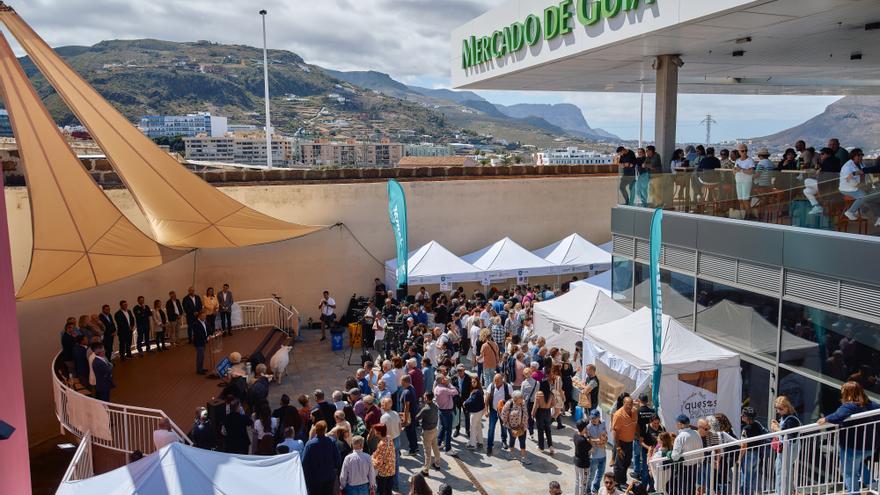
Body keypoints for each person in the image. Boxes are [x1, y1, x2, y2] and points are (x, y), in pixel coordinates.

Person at [817, 381, 880, 494]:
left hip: (852, 446)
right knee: (859, 463)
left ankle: (854, 492)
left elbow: (838, 416)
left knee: (849, 472)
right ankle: (873, 484)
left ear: (847, 394)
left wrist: (825, 419)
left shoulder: (849, 406)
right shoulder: (873, 405)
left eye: (843, 393)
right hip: (870, 446)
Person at [770, 396, 801, 495]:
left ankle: (782, 493)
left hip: (788, 450)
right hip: (785, 450)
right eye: (777, 409)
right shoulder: (786, 417)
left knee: (782, 473)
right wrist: (778, 427)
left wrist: (777, 429)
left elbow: (790, 435)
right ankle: (789, 492)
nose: (778, 411)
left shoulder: (792, 419)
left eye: (781, 409)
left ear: (787, 407)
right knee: (783, 472)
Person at [840, 148, 880, 224]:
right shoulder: (847, 167)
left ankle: (861, 212)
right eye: (859, 155)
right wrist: (863, 187)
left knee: (872, 195)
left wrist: (869, 185)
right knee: (864, 196)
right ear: (853, 156)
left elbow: (866, 175)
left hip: (860, 186)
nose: (861, 156)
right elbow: (849, 181)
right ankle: (850, 212)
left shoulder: (861, 164)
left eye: (862, 155)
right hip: (848, 188)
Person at [302, 420, 342, 495]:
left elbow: (304, 463)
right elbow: (338, 460)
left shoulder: (310, 444)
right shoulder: (332, 442)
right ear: (326, 429)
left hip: (314, 478)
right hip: (328, 477)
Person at [738, 407, 768, 495]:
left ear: (747, 417)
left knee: (745, 479)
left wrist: (739, 459)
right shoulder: (758, 425)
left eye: (743, 415)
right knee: (753, 478)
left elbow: (744, 446)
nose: (741, 416)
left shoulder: (746, 429)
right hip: (757, 454)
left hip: (748, 456)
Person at [671, 414, 702, 495]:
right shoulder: (696, 433)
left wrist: (669, 453)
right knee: (691, 488)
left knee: (684, 489)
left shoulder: (680, 437)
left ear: (680, 424)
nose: (676, 425)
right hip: (695, 465)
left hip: (685, 467)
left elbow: (674, 457)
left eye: (677, 423)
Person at [611, 396, 637, 487]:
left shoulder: (634, 411)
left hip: (630, 442)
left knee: (627, 462)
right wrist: (618, 447)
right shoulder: (618, 415)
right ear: (623, 404)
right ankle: (618, 482)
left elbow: (635, 424)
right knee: (619, 464)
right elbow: (615, 432)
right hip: (621, 442)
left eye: (631, 404)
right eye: (627, 404)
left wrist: (638, 435)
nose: (629, 406)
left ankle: (622, 480)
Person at [501, 389, 532, 464]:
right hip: (511, 427)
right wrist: (506, 423)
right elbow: (504, 414)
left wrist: (523, 423)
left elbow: (525, 413)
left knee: (522, 440)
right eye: (520, 398)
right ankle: (511, 454)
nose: (522, 399)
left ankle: (523, 457)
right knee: (512, 439)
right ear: (515, 398)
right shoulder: (509, 404)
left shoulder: (523, 403)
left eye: (522, 397)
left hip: (522, 426)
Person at [485, 373, 512, 457]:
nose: (495, 382)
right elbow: (487, 399)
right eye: (494, 380)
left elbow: (512, 399)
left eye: (497, 381)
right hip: (493, 410)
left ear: (502, 380)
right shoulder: (491, 386)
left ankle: (504, 441)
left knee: (504, 427)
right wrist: (486, 410)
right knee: (491, 428)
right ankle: (489, 446)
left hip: (504, 411)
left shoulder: (508, 386)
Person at [379, 397, 402, 490]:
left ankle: (390, 486)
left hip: (390, 442)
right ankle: (396, 485)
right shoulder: (396, 414)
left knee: (388, 465)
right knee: (396, 464)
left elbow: (382, 433)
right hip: (397, 439)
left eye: (382, 404)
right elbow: (400, 427)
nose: (381, 405)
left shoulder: (383, 417)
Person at [416, 392, 441, 475]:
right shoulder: (435, 406)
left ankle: (426, 469)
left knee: (427, 452)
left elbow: (417, 417)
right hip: (434, 429)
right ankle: (437, 464)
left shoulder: (425, 409)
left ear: (427, 398)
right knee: (435, 447)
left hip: (427, 432)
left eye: (424, 397)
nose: (423, 398)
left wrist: (421, 407)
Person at [433, 374, 459, 453]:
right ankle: (448, 449)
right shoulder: (444, 389)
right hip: (447, 411)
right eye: (444, 378)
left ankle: (438, 443)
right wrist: (449, 384)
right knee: (448, 430)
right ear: (442, 380)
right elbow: (455, 392)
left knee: (443, 427)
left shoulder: (436, 388)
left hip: (440, 410)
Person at [634, 393, 656, 484]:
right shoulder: (652, 411)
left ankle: (637, 472)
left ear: (639, 400)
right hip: (649, 438)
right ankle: (645, 476)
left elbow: (635, 425)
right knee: (646, 458)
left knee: (637, 455)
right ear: (647, 401)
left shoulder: (637, 411)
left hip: (639, 437)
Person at [587, 409, 609, 494]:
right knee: (591, 476)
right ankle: (587, 490)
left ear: (599, 417)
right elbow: (588, 439)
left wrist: (605, 439)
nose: (593, 420)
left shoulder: (603, 422)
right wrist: (598, 441)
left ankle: (595, 488)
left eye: (594, 418)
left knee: (600, 474)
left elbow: (605, 434)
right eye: (592, 418)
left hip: (603, 455)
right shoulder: (588, 426)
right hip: (594, 456)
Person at [371, 424, 396, 495]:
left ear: (379, 432)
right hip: (391, 470)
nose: (374, 432)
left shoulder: (382, 444)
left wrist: (371, 459)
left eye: (375, 430)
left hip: (383, 472)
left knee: (381, 491)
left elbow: (378, 463)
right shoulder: (389, 438)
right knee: (388, 491)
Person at [532, 380, 555, 454]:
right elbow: (553, 404)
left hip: (540, 412)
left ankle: (541, 447)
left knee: (540, 430)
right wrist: (548, 406)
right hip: (547, 411)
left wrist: (532, 414)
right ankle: (550, 446)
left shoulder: (539, 394)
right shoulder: (551, 394)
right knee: (548, 430)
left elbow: (535, 406)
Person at [464, 375, 485, 450]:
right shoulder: (479, 390)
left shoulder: (477, 392)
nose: (473, 383)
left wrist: (465, 403)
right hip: (480, 411)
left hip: (476, 412)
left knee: (472, 428)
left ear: (477, 382)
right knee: (478, 426)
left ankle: (472, 444)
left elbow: (471, 401)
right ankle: (480, 442)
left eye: (474, 382)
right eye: (472, 382)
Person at [399, 375, 420, 455]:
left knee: (409, 432)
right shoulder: (411, 387)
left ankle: (412, 450)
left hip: (409, 415)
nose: (400, 383)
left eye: (401, 382)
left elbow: (406, 407)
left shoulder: (407, 392)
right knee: (412, 431)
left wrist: (405, 418)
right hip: (412, 414)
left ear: (405, 382)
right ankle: (415, 447)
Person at [734, 144, 755, 218]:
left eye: (746, 150)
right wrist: (735, 170)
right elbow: (734, 171)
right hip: (738, 181)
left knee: (745, 199)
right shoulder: (737, 161)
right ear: (739, 152)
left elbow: (751, 172)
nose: (744, 152)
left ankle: (749, 215)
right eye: (742, 151)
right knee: (740, 200)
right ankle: (743, 215)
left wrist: (741, 170)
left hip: (746, 182)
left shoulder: (750, 160)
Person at [572, 419, 593, 495]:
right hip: (583, 464)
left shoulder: (575, 435)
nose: (587, 428)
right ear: (584, 428)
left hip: (576, 462)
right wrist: (589, 436)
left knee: (577, 480)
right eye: (586, 427)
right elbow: (591, 449)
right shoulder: (583, 440)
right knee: (583, 482)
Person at [192, 310, 209, 374]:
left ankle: (201, 368)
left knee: (202, 356)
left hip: (203, 341)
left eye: (205, 316)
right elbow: (198, 334)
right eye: (203, 316)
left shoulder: (205, 322)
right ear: (199, 316)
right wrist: (206, 338)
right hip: (199, 342)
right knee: (200, 355)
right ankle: (199, 370)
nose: (204, 317)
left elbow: (207, 330)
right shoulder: (195, 324)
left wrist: (210, 334)